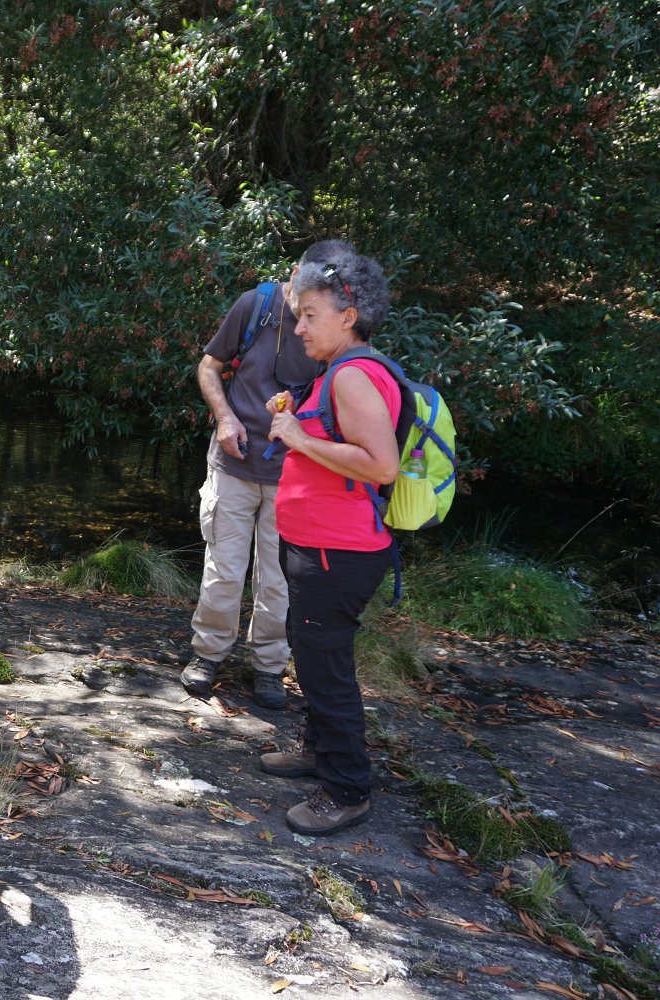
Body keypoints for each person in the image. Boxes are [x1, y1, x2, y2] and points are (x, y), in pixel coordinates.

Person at [260, 248, 400, 835]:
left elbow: (381, 465)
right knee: (310, 650)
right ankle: (318, 749)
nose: (300, 328)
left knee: (326, 667)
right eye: (299, 316)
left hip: (337, 553)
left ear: (348, 315)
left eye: (310, 315)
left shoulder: (354, 375)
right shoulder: (338, 371)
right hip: (317, 547)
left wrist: (297, 436)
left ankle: (346, 788)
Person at [181, 243, 347, 708]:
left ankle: (269, 667)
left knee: (278, 579)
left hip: (295, 473)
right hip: (233, 462)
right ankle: (208, 654)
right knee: (223, 570)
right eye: (301, 289)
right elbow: (209, 366)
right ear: (293, 272)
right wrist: (225, 418)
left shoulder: (337, 326)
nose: (304, 309)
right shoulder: (256, 304)